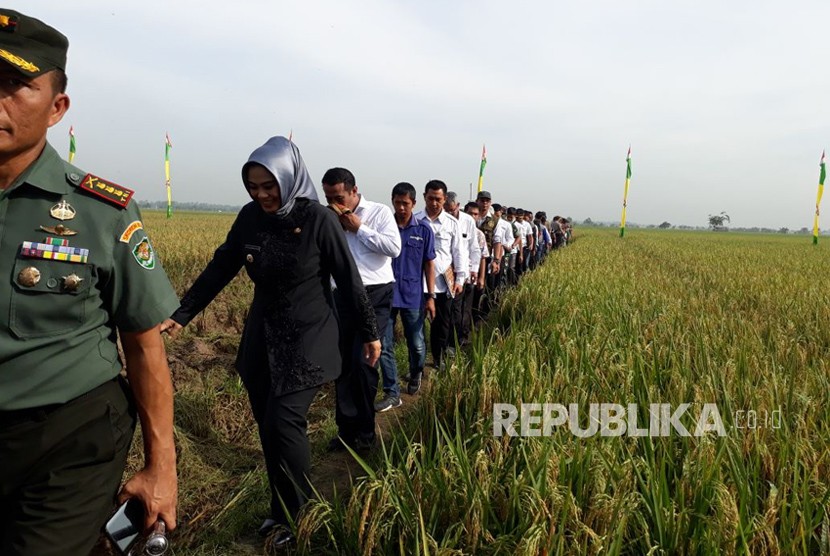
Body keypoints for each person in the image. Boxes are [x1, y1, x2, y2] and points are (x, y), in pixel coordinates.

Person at [0, 10, 179, 555]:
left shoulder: (101, 211)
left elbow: (144, 344)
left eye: (15, 86)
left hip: (66, 436)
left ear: (57, 108)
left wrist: (161, 467)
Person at [162, 137, 381, 546]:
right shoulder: (249, 218)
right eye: (253, 186)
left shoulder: (319, 219)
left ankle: (302, 519)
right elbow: (222, 265)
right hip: (262, 337)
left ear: (289, 178)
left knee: (284, 423)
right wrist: (183, 312)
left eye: (269, 185)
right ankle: (280, 510)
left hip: (308, 334)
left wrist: (369, 332)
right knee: (269, 429)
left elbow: (349, 280)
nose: (261, 194)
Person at [321, 168, 400, 440]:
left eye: (339, 197)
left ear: (354, 191)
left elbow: (394, 248)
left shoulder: (378, 213)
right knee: (342, 364)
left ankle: (365, 431)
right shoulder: (327, 218)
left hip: (375, 295)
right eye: (329, 196)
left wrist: (359, 229)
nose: (334, 203)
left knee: (365, 362)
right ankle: (345, 429)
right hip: (341, 295)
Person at [378, 182, 436, 402]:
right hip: (386, 296)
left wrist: (430, 296)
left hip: (413, 295)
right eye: (397, 202)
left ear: (413, 203)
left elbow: (429, 264)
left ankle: (416, 372)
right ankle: (391, 391)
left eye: (406, 203)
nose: (401, 208)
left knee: (417, 343)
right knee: (384, 345)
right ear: (392, 200)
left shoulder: (423, 230)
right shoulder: (384, 227)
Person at [413, 180, 467, 369]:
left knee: (442, 324)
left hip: (444, 283)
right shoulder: (416, 219)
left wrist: (460, 279)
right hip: (418, 282)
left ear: (444, 200)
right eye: (430, 198)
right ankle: (416, 362)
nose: (434, 203)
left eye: (438, 199)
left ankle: (438, 357)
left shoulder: (452, 224)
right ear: (424, 197)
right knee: (416, 324)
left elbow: (459, 252)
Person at [445, 192, 481, 347]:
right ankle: (445, 341)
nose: (449, 214)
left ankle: (456, 341)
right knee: (446, 309)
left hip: (462, 272)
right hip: (444, 273)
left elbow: (474, 248)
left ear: (458, 206)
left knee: (458, 309)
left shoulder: (468, 221)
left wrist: (474, 269)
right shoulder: (441, 220)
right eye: (446, 210)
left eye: (452, 210)